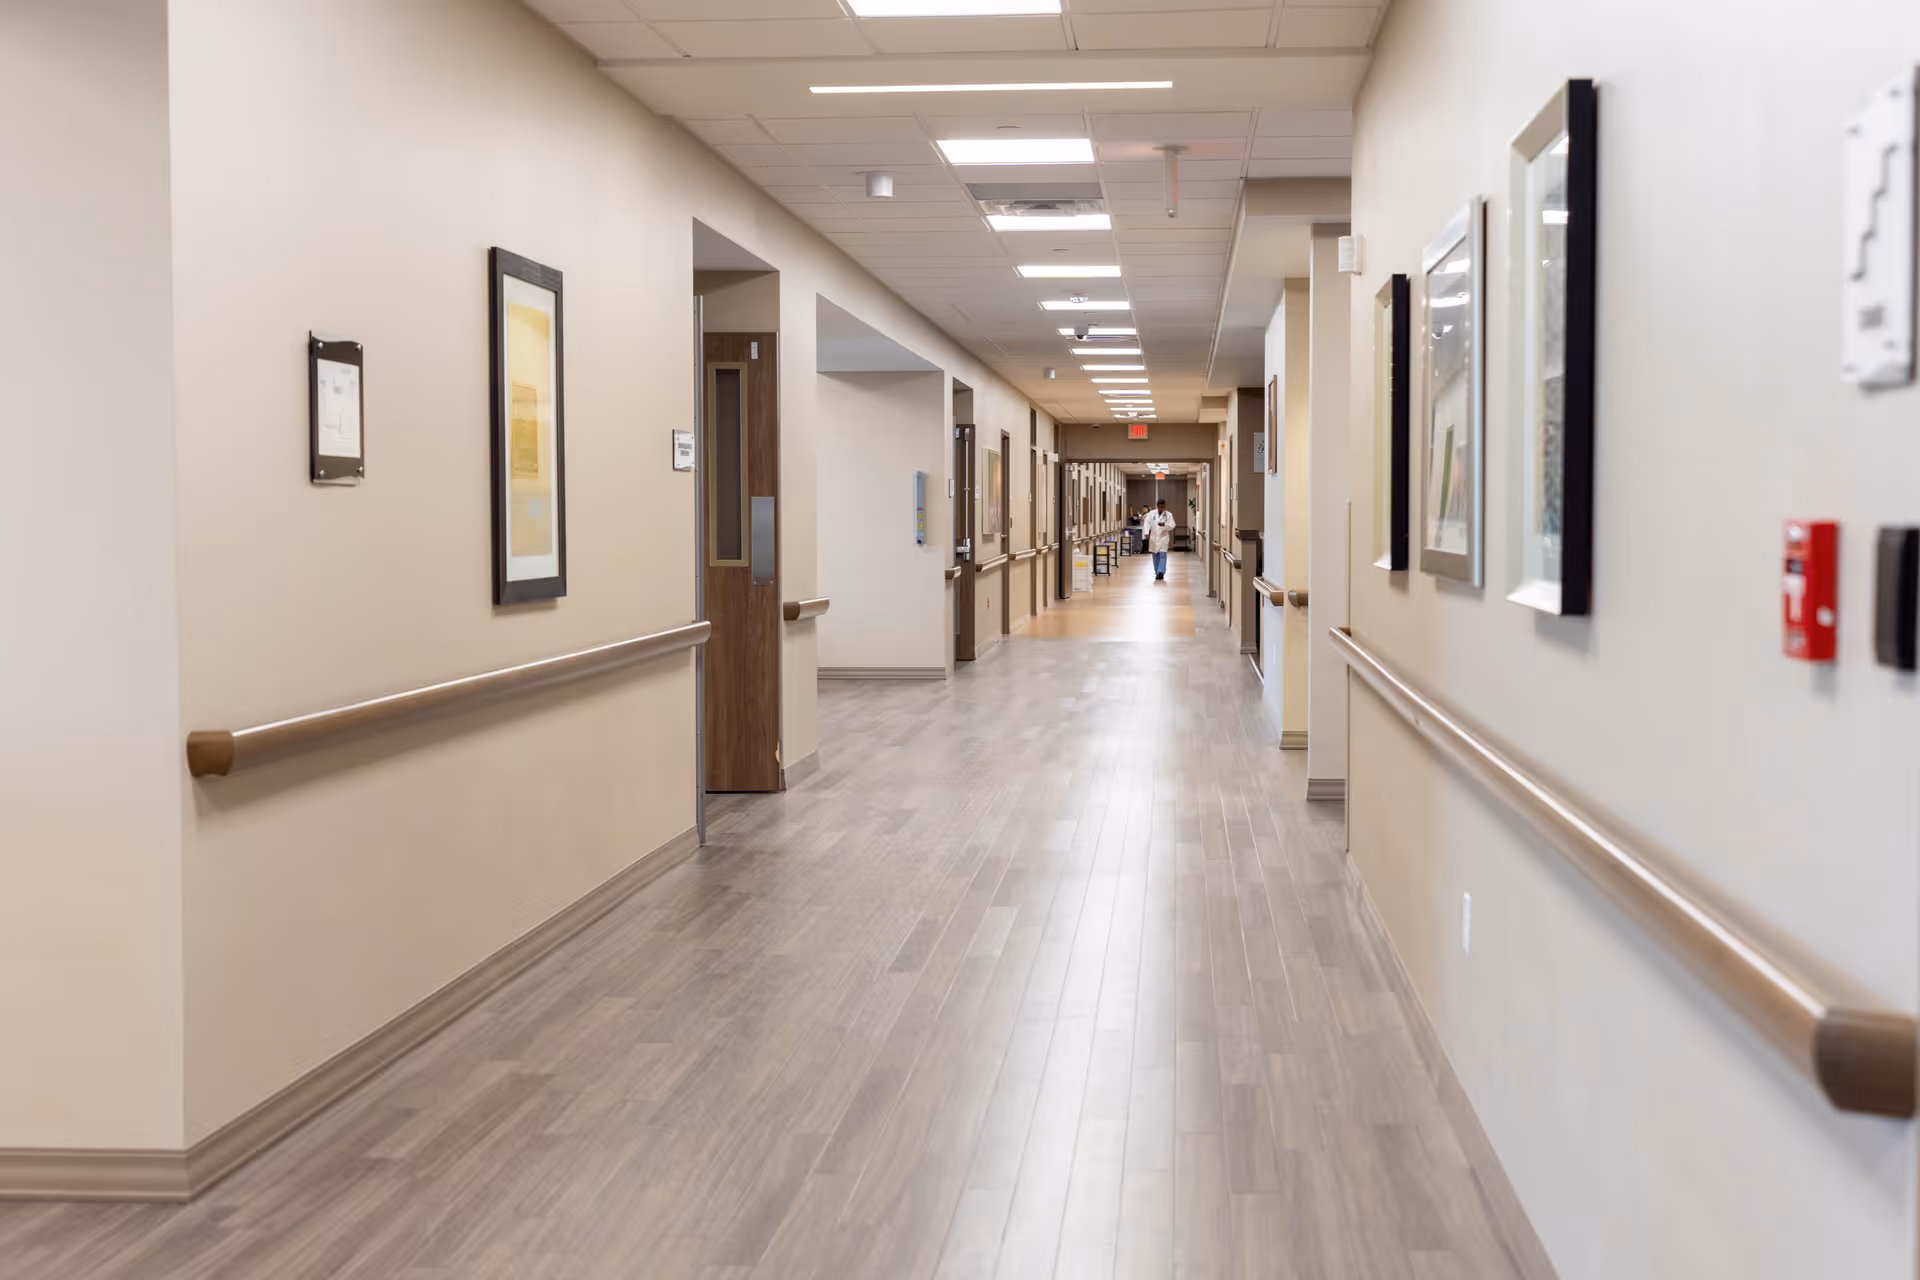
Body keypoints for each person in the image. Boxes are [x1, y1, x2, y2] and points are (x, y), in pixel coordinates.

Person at [1141, 499, 1175, 581]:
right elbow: (1147, 523)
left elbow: (1172, 525)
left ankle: (1161, 572)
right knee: (1155, 556)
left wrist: (1165, 525)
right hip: (1154, 537)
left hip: (1163, 538)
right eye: (1159, 507)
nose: (1161, 509)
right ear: (1157, 506)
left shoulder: (1169, 515)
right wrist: (1146, 533)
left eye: (1162, 507)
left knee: (1163, 555)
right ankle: (1157, 572)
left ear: (1164, 507)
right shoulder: (1151, 513)